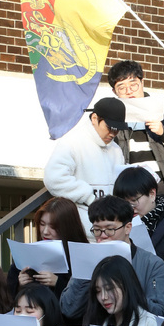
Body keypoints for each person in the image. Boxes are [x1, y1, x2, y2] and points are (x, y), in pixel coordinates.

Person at [59, 196, 164, 322]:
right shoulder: (88, 258)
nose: (103, 236)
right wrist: (84, 272)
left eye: (110, 229)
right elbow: (68, 309)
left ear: (128, 228)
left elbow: (162, 313)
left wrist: (127, 294)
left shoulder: (152, 263)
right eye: (97, 230)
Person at [107, 59, 164, 203]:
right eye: (122, 87)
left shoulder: (161, 109)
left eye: (133, 85)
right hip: (129, 192)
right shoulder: (112, 118)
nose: (129, 91)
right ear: (114, 91)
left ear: (142, 82)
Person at [43, 98, 127, 231]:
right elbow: (53, 179)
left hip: (110, 232)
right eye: (109, 127)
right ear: (94, 118)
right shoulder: (72, 142)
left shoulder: (116, 150)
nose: (113, 133)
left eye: (117, 130)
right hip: (79, 232)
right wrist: (89, 197)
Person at [113, 166, 164, 270]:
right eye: (124, 203)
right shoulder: (115, 227)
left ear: (152, 194)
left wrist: (154, 270)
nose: (130, 209)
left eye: (133, 201)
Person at [7, 197, 88, 300]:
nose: (45, 231)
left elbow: (84, 301)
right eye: (42, 224)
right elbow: (8, 300)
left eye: (53, 226)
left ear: (68, 227)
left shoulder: (82, 259)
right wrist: (19, 286)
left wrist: (59, 283)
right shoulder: (26, 255)